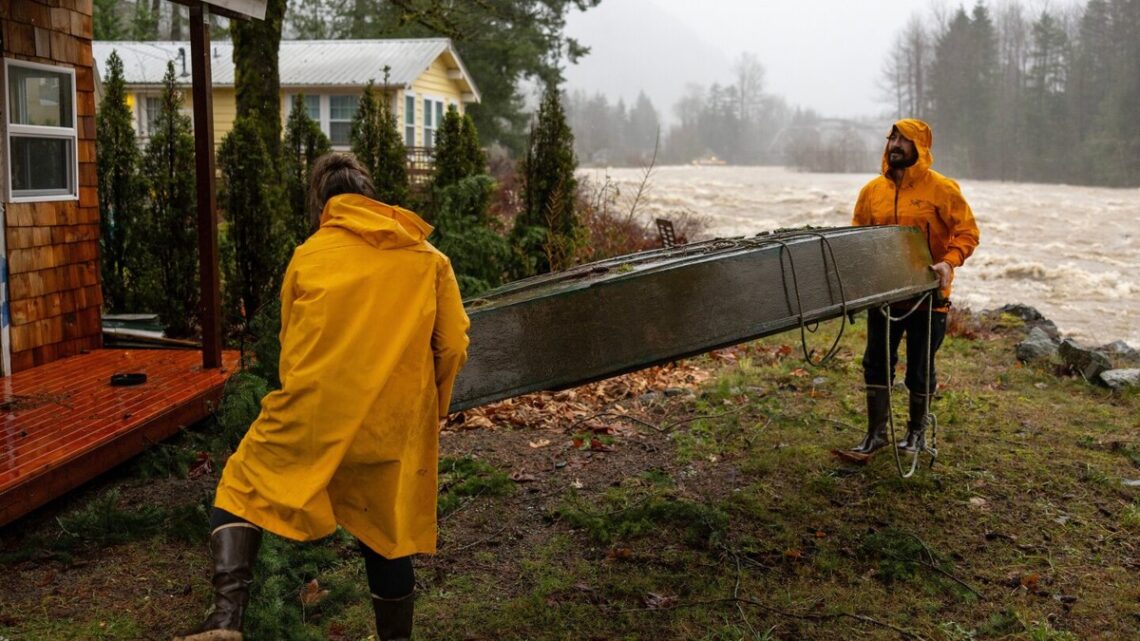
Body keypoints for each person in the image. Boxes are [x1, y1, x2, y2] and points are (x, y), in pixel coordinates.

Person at [174, 153, 470, 641]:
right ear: (372, 199)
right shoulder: (428, 260)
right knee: (387, 533)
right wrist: (429, 406)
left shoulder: (308, 256)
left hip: (313, 416)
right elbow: (454, 344)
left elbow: (293, 349)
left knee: (240, 486)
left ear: (323, 206)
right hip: (388, 425)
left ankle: (225, 623)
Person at [848, 119, 979, 456]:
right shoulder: (872, 192)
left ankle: (916, 435)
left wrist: (948, 263)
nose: (895, 145)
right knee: (876, 362)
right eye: (892, 138)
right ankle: (876, 435)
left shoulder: (942, 189)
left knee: (920, 368)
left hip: (929, 296)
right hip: (885, 295)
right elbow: (857, 238)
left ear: (920, 147)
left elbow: (968, 233)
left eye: (904, 140)